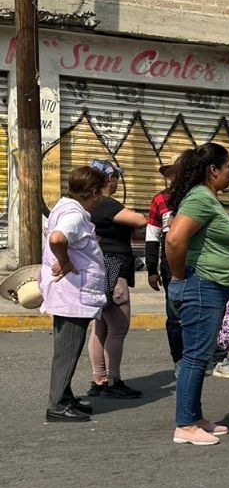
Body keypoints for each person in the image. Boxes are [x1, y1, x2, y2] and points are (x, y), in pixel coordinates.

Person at [165, 143, 229, 446]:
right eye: (228, 169)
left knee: (200, 354)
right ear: (213, 170)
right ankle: (184, 425)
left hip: (210, 285)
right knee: (196, 356)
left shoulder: (206, 198)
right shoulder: (199, 197)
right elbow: (174, 240)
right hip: (202, 285)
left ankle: (194, 417)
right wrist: (180, 275)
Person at [39, 166, 109, 422]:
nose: (101, 196)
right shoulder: (75, 215)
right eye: (100, 191)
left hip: (69, 293)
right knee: (67, 351)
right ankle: (57, 405)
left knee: (68, 349)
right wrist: (65, 260)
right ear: (91, 191)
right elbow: (58, 238)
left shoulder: (64, 206)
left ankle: (65, 396)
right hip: (72, 294)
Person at [85, 160, 146, 399]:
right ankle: (113, 380)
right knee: (118, 328)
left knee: (99, 327)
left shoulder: (89, 205)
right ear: (108, 179)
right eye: (116, 177)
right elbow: (140, 221)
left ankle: (98, 379)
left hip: (99, 268)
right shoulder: (108, 204)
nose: (118, 182)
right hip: (114, 269)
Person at [146, 163, 187, 373]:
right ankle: (179, 358)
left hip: (197, 263)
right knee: (174, 315)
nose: (174, 177)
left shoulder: (196, 197)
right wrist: (152, 270)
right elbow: (152, 236)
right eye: (171, 174)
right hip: (170, 266)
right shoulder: (160, 200)